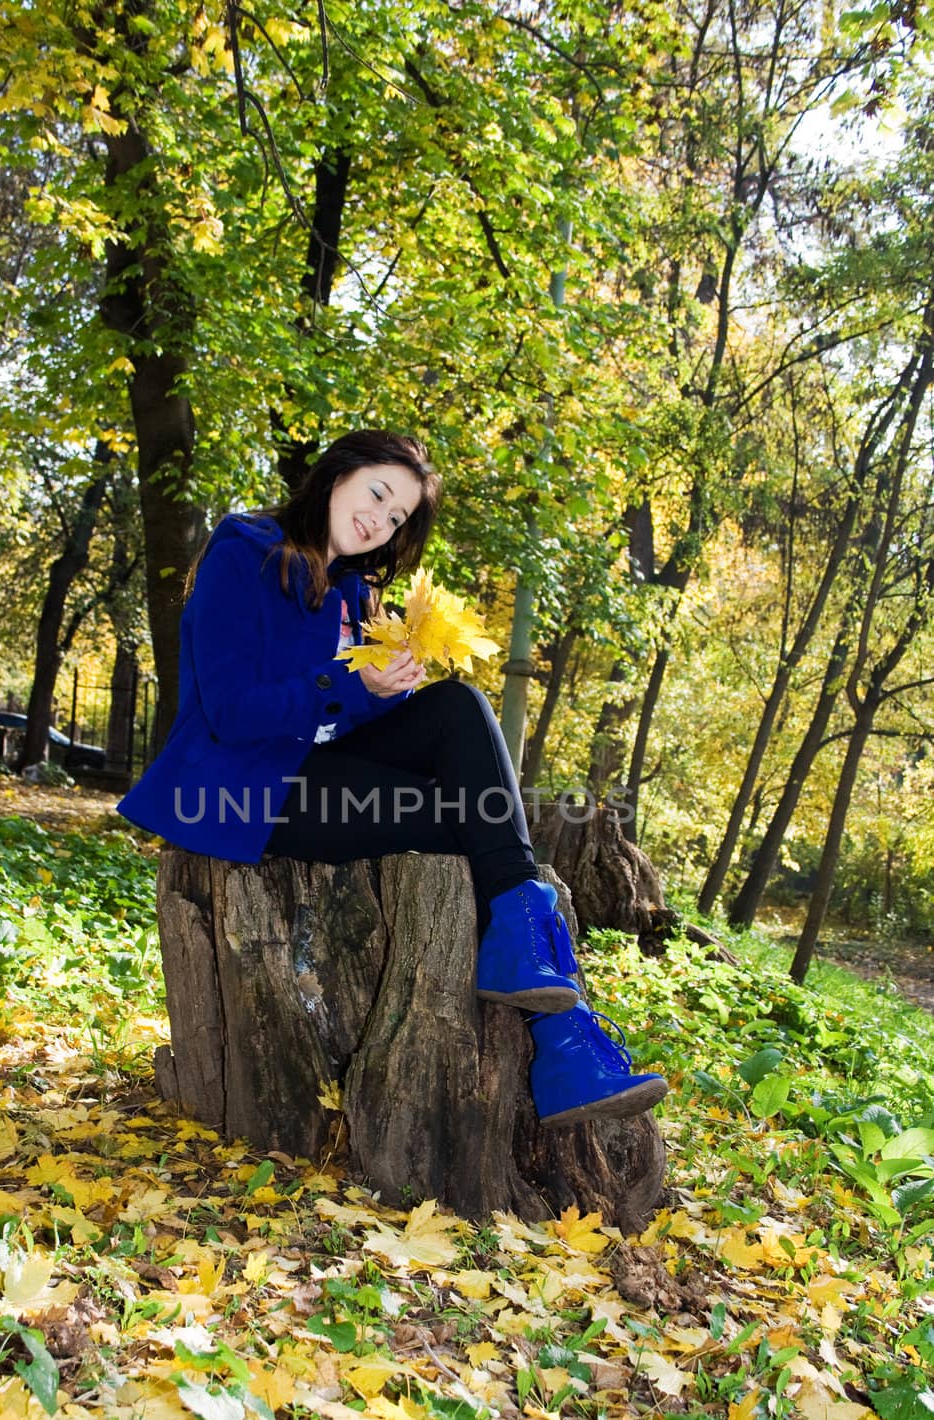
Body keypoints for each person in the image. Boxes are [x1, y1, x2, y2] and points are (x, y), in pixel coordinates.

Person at [118, 429, 666, 1124]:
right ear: (337, 474)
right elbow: (231, 713)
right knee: (485, 828)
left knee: (458, 708)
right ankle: (562, 1041)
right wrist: (352, 687)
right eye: (378, 493)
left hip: (307, 776)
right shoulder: (245, 552)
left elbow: (339, 727)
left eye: (398, 515)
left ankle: (550, 1013)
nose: (381, 519)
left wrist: (389, 694)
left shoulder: (355, 596)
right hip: (237, 790)